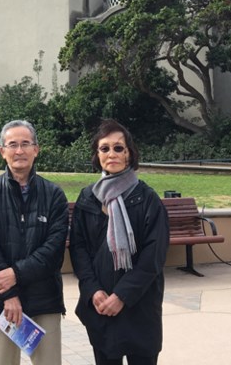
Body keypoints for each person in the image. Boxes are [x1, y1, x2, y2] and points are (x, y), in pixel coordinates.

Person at [69, 119, 169, 365]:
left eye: (118, 148)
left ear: (129, 154)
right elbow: (79, 248)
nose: (111, 154)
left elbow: (153, 255)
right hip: (101, 305)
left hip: (139, 307)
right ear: (97, 154)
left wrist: (122, 295)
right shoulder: (87, 197)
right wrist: (93, 291)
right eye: (104, 148)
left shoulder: (147, 199)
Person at [0, 119, 69, 365]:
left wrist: (15, 274)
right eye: (12, 144)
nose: (19, 151)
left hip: (44, 298)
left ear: (36, 149)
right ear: (2, 151)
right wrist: (10, 294)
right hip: (0, 301)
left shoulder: (54, 194)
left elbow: (53, 251)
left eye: (25, 144)